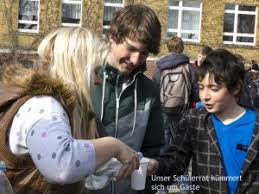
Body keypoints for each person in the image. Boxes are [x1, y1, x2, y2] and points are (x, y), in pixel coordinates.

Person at [0, 27, 139, 194]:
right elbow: (61, 166)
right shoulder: (44, 108)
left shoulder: (53, 106)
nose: (98, 80)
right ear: (78, 69)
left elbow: (77, 161)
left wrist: (128, 161)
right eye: (96, 71)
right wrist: (114, 146)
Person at [148, 49, 259, 193]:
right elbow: (175, 161)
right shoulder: (194, 120)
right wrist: (156, 166)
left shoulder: (256, 124)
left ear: (236, 87)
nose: (205, 96)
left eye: (214, 88)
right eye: (201, 88)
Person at [90, 4, 164, 194]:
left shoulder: (150, 90)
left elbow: (154, 149)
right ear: (113, 36)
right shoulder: (85, 81)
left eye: (144, 53)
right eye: (131, 48)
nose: (136, 60)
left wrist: (154, 167)